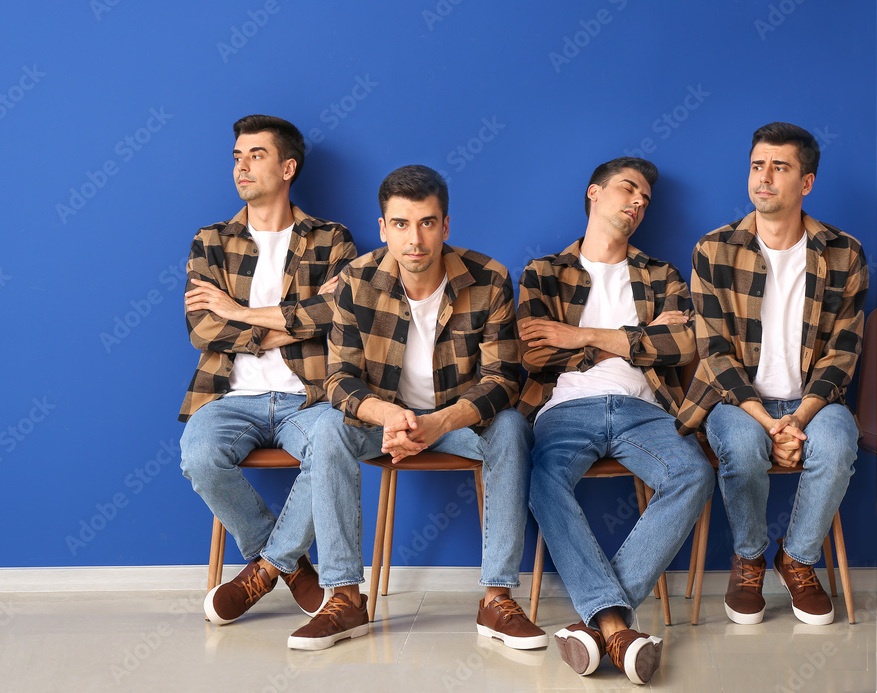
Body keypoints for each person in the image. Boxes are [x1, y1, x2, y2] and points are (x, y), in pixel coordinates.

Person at [286, 165, 541, 652]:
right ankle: (343, 598)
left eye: (427, 223)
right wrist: (389, 417)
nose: (415, 239)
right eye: (401, 224)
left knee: (509, 427)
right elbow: (338, 379)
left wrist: (436, 422)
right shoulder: (355, 282)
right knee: (326, 429)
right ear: (383, 228)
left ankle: (497, 597)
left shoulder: (489, 278)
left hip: (458, 421)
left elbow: (504, 380)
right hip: (386, 423)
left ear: (446, 226)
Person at [518, 157, 714, 685]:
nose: (637, 202)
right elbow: (534, 356)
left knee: (695, 473)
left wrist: (581, 336)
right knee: (540, 480)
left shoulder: (660, 274)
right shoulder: (544, 272)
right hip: (564, 409)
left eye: (646, 198)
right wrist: (638, 338)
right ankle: (616, 625)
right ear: (593, 193)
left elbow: (682, 345)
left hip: (643, 411)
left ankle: (599, 623)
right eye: (628, 189)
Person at [678, 122, 868, 626]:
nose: (764, 177)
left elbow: (843, 351)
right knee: (740, 450)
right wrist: (769, 424)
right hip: (737, 402)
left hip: (814, 401)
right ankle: (750, 558)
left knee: (837, 446)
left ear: (805, 182)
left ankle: (798, 560)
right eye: (757, 165)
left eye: (779, 167)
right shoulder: (714, 250)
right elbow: (713, 350)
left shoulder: (844, 253)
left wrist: (799, 419)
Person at [178, 114, 356, 626]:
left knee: (332, 449)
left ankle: (263, 569)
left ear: (288, 167)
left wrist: (235, 311)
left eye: (256, 155)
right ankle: (292, 564)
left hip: (312, 397)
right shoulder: (211, 240)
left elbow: (339, 316)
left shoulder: (331, 239)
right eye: (237, 156)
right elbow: (202, 329)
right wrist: (281, 326)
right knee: (199, 454)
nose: (242, 166)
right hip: (231, 397)